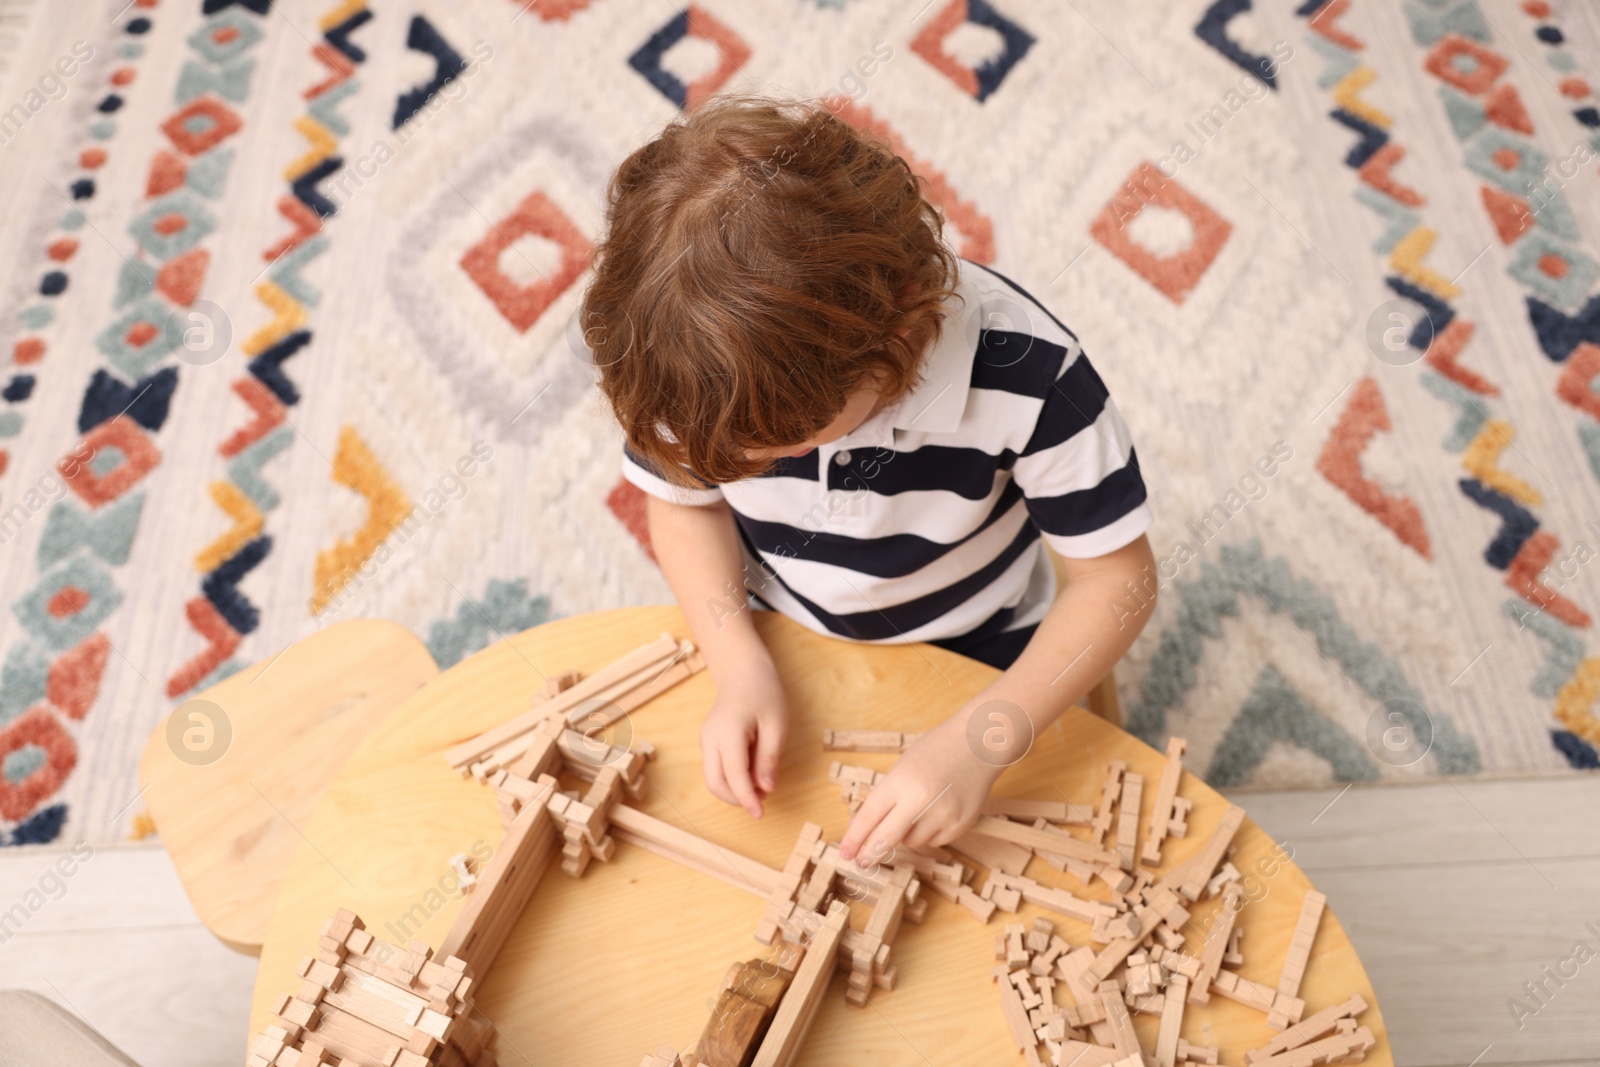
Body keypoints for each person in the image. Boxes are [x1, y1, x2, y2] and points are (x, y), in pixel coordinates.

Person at [579, 94, 1156, 865]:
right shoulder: (689, 374)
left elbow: (1118, 580)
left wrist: (986, 738)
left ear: (898, 333)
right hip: (777, 628)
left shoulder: (1035, 377)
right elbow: (684, 509)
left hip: (983, 647)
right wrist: (739, 663)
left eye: (778, 452)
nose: (748, 472)